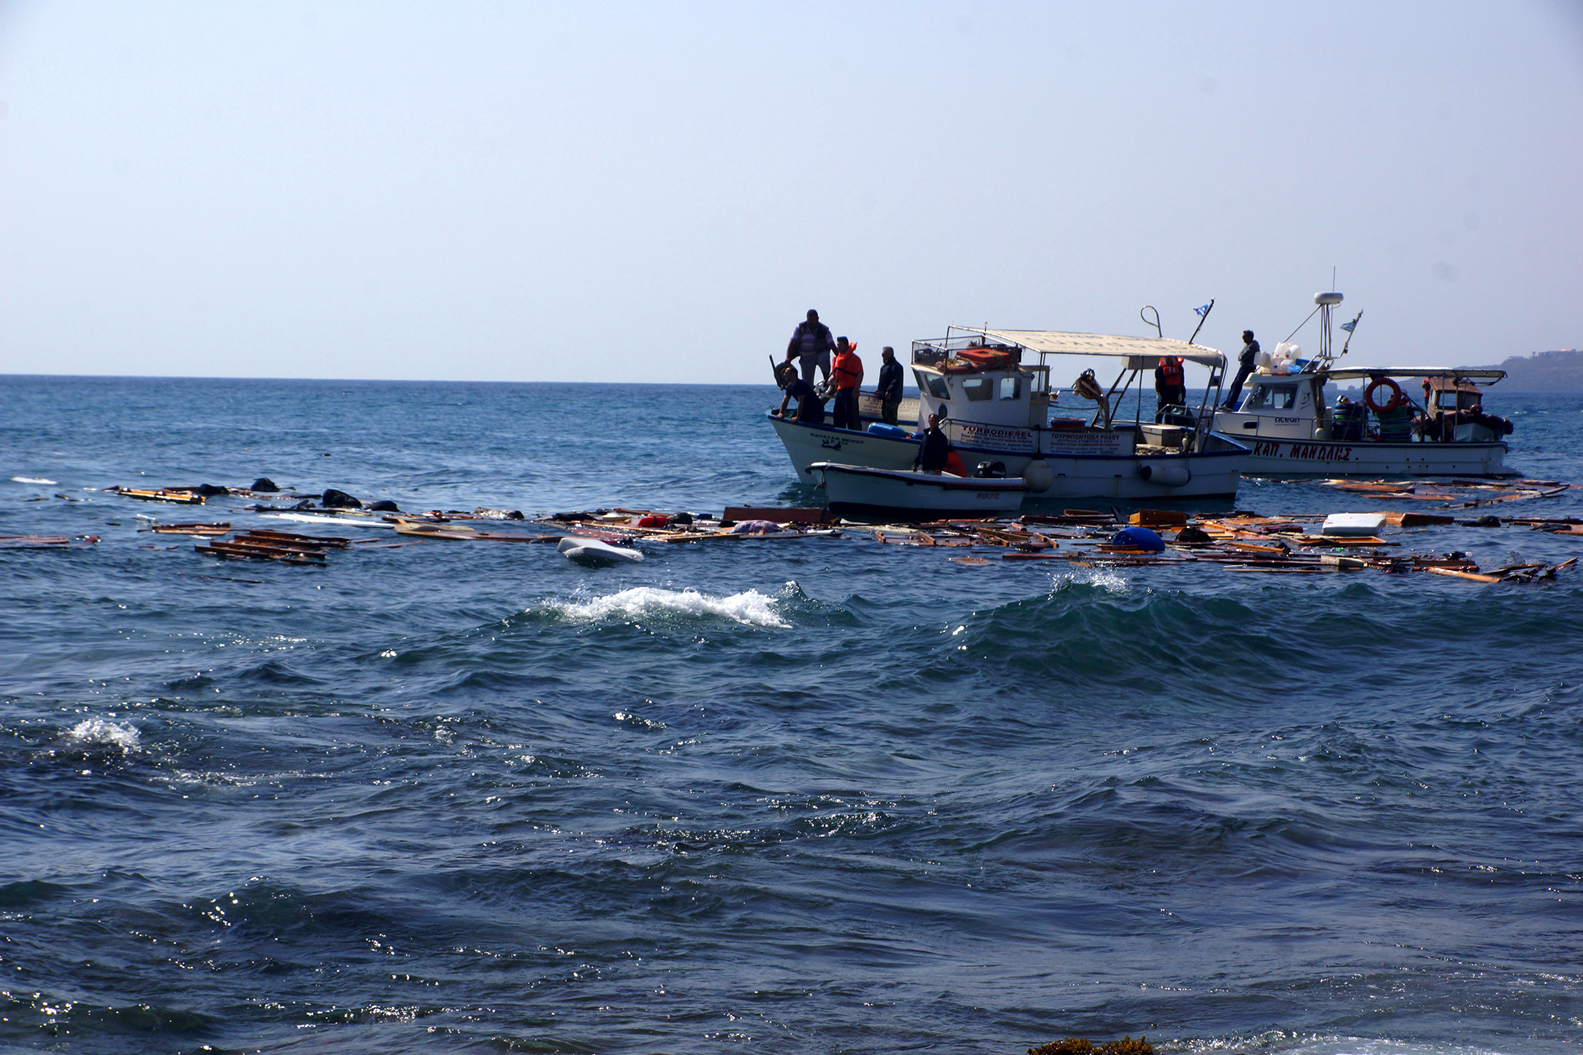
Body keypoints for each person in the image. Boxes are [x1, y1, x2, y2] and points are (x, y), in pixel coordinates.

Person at [787, 309, 836, 386]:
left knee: (824, 357)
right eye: (809, 320)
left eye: (813, 320)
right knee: (807, 383)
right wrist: (788, 358)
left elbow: (832, 345)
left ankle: (827, 381)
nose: (811, 322)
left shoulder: (824, 330)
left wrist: (841, 358)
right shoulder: (800, 328)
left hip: (819, 353)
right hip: (806, 357)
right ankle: (809, 392)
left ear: (817, 319)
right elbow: (792, 343)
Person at [773, 356, 826, 424]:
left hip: (815, 411)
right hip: (805, 410)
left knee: (814, 423)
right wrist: (781, 413)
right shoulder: (789, 386)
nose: (784, 375)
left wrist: (797, 417)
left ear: (793, 374)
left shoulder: (801, 385)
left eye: (786, 373)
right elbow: (785, 400)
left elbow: (800, 402)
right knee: (791, 416)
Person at [830, 337, 863, 430]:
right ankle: (839, 432)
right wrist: (833, 378)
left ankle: (857, 435)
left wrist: (857, 388)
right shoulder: (838, 358)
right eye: (837, 345)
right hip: (840, 390)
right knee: (838, 414)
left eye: (840, 345)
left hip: (851, 390)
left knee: (852, 415)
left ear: (846, 345)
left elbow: (860, 373)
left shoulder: (855, 358)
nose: (838, 347)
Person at [1223, 330, 1260, 409]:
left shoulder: (1253, 345)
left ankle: (1229, 405)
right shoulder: (1247, 345)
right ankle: (1227, 402)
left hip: (1248, 367)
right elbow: (1239, 356)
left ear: (1250, 337)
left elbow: (1242, 356)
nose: (1243, 338)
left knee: (1237, 384)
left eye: (1244, 336)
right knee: (1234, 384)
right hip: (1244, 366)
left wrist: (1241, 358)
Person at [875, 346, 903, 425]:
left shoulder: (896, 366)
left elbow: (896, 381)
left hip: (892, 398)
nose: (882, 356)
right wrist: (880, 390)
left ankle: (894, 435)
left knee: (891, 419)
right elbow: (884, 381)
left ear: (890, 354)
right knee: (885, 417)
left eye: (884, 354)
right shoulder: (884, 367)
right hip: (885, 398)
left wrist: (889, 391)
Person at [1153, 354, 1186, 421]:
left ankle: (1168, 424)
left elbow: (1180, 381)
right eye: (1167, 358)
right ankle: (1157, 424)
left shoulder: (1179, 368)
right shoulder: (1160, 369)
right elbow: (1157, 381)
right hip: (1163, 392)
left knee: (1170, 411)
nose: (1169, 360)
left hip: (1174, 392)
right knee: (1161, 410)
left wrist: (1180, 393)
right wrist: (1158, 393)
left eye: (1170, 358)